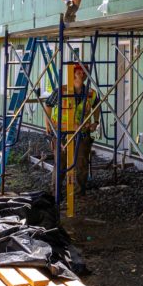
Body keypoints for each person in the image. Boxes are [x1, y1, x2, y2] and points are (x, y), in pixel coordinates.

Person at [41, 63, 101, 195]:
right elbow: (48, 104)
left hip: (82, 134)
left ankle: (79, 192)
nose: (82, 75)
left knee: (82, 163)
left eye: (84, 72)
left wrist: (96, 122)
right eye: (79, 72)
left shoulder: (90, 93)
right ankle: (56, 192)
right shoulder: (61, 91)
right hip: (62, 133)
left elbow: (97, 106)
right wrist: (48, 125)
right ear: (73, 74)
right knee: (60, 163)